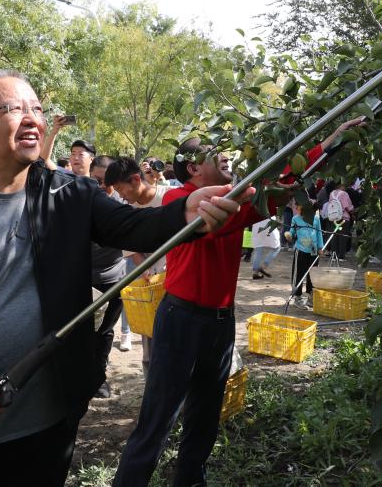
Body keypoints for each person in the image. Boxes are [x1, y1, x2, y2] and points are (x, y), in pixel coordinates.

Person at [0, 70, 248, 486]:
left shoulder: (70, 194)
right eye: (13, 108)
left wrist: (184, 213)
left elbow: (134, 227)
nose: (32, 119)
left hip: (51, 425)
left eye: (37, 108)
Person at [115, 117, 365, 486]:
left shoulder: (239, 197)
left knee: (204, 420)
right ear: (194, 167)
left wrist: (330, 143)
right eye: (214, 152)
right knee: (157, 420)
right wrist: (289, 173)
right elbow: (256, 200)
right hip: (181, 319)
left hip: (219, 322)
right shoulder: (178, 200)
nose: (226, 156)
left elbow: (277, 188)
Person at [106, 156, 173, 376]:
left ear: (135, 180)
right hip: (150, 283)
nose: (121, 195)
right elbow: (130, 246)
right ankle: (151, 378)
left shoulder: (169, 197)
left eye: (120, 189)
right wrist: (144, 267)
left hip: (175, 278)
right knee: (151, 336)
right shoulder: (127, 210)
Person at [86, 155, 131, 396]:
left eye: (107, 182)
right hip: (82, 280)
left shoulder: (122, 204)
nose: (102, 186)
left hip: (113, 280)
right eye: (96, 180)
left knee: (104, 331)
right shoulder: (78, 200)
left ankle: (98, 378)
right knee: (79, 333)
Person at [286, 205, 324, 308]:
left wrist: (320, 247)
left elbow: (319, 233)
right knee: (298, 273)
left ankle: (311, 297)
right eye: (297, 208)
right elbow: (292, 232)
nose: (297, 211)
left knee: (313, 274)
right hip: (301, 250)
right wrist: (289, 236)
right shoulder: (295, 219)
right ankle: (297, 297)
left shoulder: (316, 218)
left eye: (299, 209)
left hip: (313, 251)